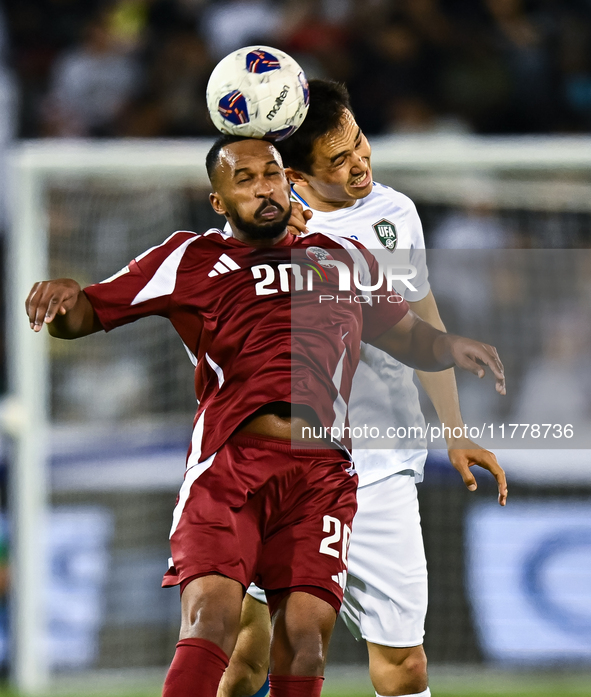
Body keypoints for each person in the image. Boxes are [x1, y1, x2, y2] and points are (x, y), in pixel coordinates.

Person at [26, 136, 505, 697]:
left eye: (272, 174)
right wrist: (64, 298)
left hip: (323, 475)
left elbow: (407, 337)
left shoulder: (339, 257)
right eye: (246, 179)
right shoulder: (190, 257)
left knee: (305, 644)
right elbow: (86, 313)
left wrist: (451, 347)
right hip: (232, 466)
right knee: (212, 621)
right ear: (219, 202)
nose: (264, 188)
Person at [221, 81, 509, 697]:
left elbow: (425, 324)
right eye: (338, 160)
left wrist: (455, 432)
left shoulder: (393, 213)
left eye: (360, 144)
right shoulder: (260, 226)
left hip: (376, 466)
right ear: (295, 174)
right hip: (279, 464)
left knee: (404, 666)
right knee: (248, 652)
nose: (360, 165)